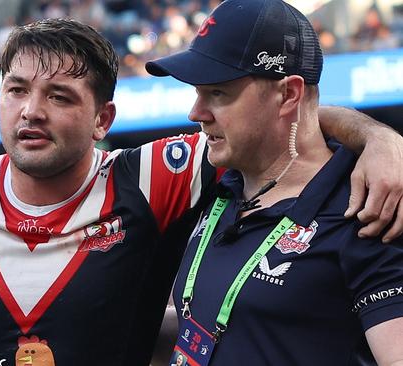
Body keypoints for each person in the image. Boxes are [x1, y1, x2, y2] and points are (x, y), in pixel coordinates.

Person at [0, 17, 403, 365]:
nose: (31, 110)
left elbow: (283, 128)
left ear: (104, 118)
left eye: (58, 96)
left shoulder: (153, 177)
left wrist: (379, 139)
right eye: (15, 90)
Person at [145, 0, 403, 364]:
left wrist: (383, 141)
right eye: (198, 92)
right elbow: (232, 323)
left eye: (217, 93)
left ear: (288, 95)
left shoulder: (367, 209)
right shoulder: (218, 178)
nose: (195, 113)